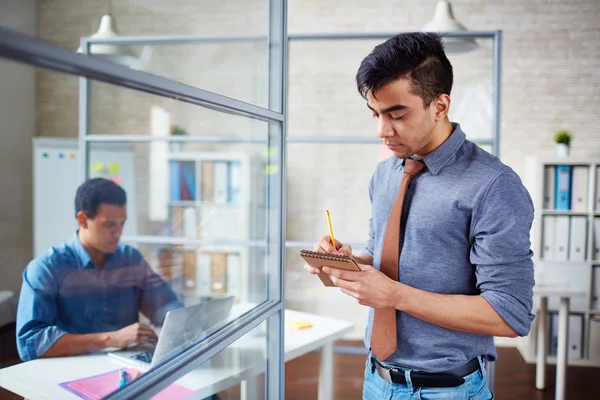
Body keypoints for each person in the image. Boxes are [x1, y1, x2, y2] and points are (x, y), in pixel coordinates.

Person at [304, 32, 535, 399]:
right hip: (375, 381)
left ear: (440, 105)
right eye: (376, 114)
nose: (382, 130)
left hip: (448, 391)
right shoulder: (385, 173)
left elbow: (509, 316)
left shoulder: (494, 186)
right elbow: (386, 261)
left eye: (396, 114)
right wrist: (345, 263)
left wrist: (393, 294)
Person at [16, 178, 182, 361]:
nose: (118, 233)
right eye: (109, 225)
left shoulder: (130, 259)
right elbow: (30, 344)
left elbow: (167, 308)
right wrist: (112, 339)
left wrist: (182, 325)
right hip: (70, 373)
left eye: (122, 223)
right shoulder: (46, 269)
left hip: (128, 366)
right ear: (83, 220)